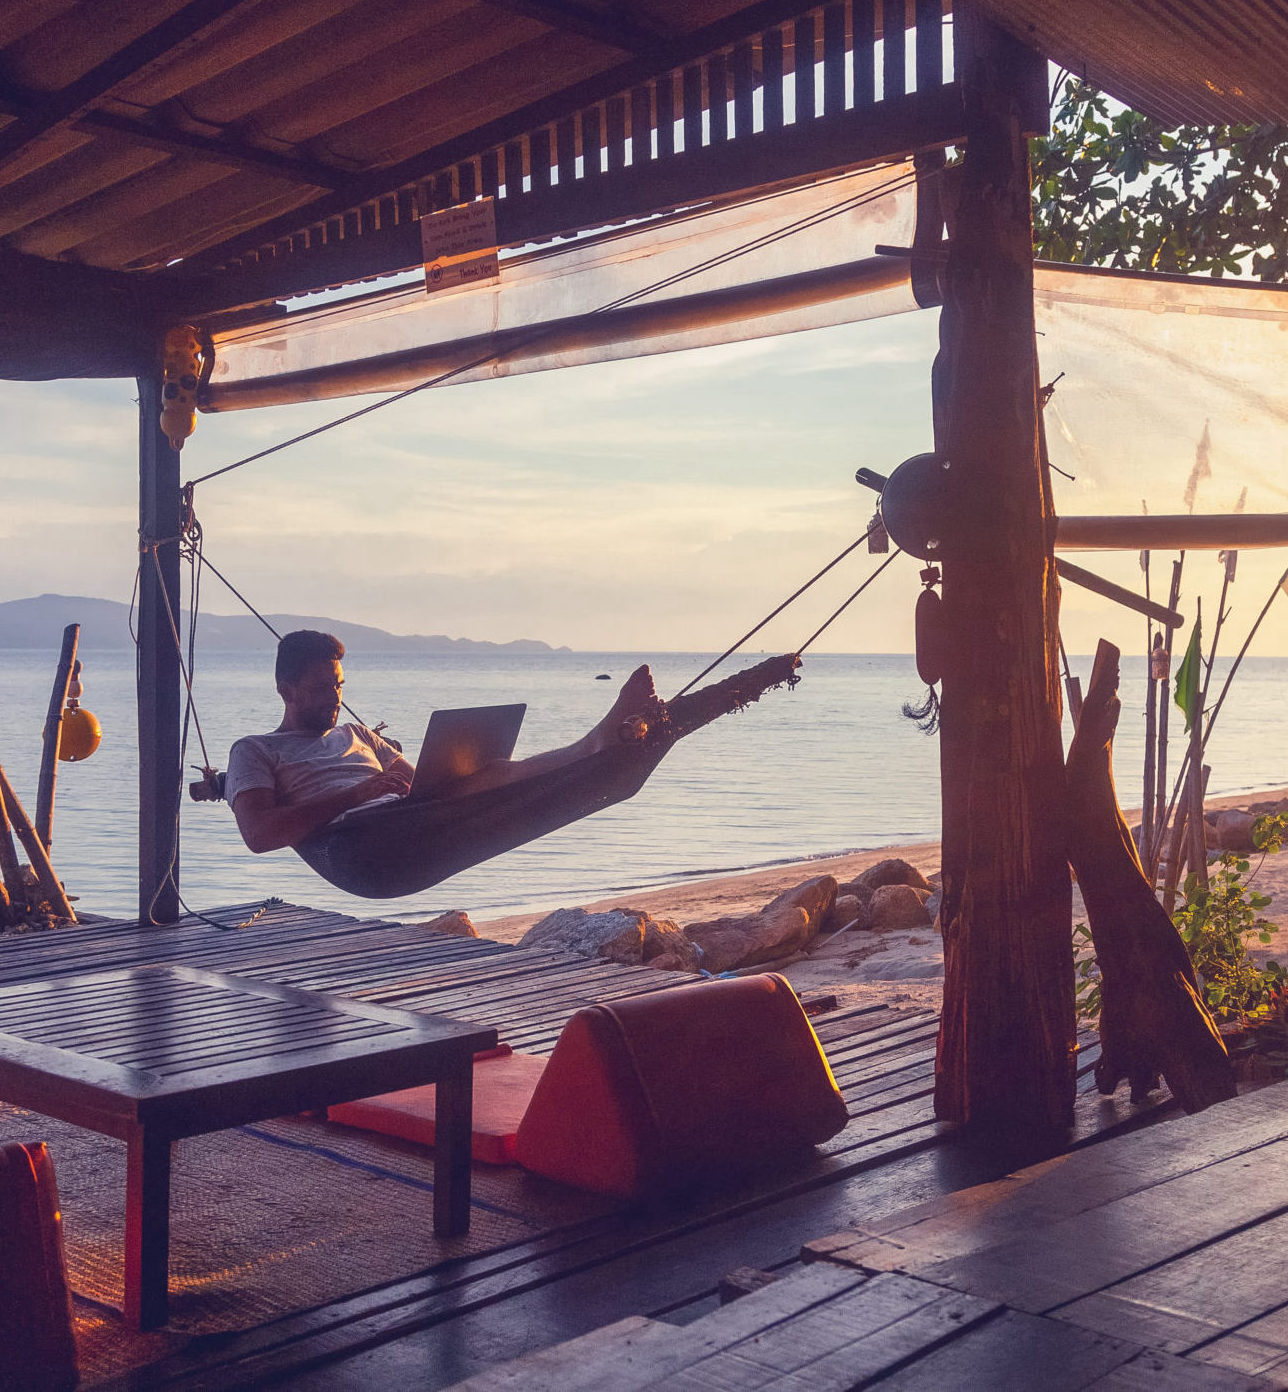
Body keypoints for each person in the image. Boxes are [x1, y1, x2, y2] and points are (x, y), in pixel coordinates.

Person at [226, 630, 660, 855]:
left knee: (490, 773)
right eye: (322, 687)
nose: (336, 696)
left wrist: (447, 768)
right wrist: (357, 794)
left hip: (416, 822)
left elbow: (427, 790)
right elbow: (260, 835)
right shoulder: (256, 750)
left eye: (339, 684)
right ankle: (595, 744)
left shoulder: (358, 735)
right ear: (287, 690)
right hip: (363, 845)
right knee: (493, 777)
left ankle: (598, 750)